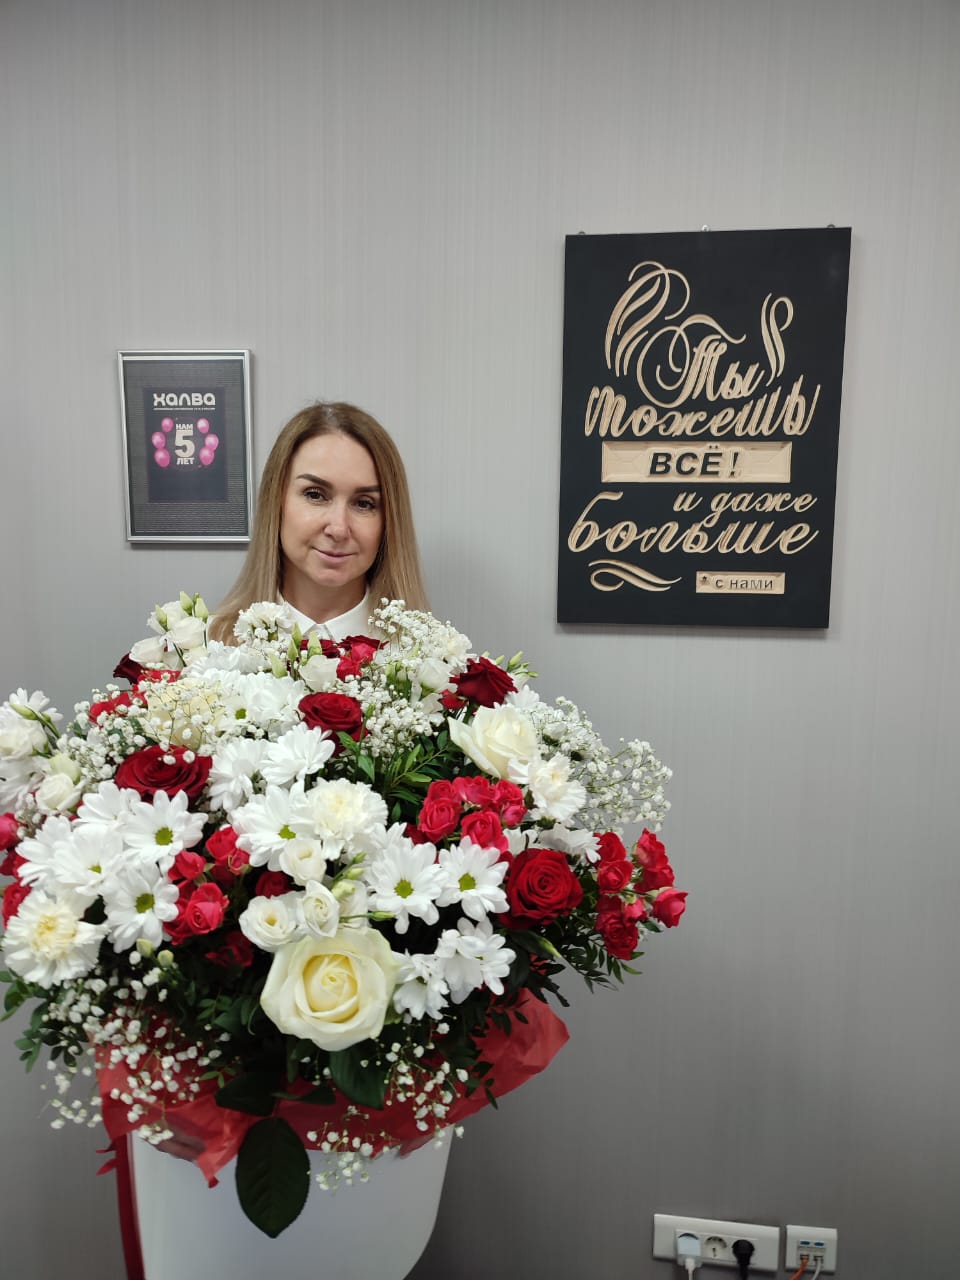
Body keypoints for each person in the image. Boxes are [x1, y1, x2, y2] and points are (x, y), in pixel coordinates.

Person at [209, 401, 429, 644]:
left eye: (364, 503)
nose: (338, 529)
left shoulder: (427, 657)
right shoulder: (206, 646)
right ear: (276, 501)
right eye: (315, 495)